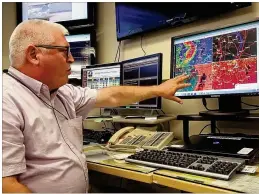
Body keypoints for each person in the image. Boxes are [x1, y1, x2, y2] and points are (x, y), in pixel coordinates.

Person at [2, 19, 190, 193]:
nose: (71, 59)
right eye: (64, 51)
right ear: (34, 55)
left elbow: (112, 96)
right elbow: (6, 185)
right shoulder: (7, 100)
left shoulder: (64, 93)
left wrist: (158, 90)